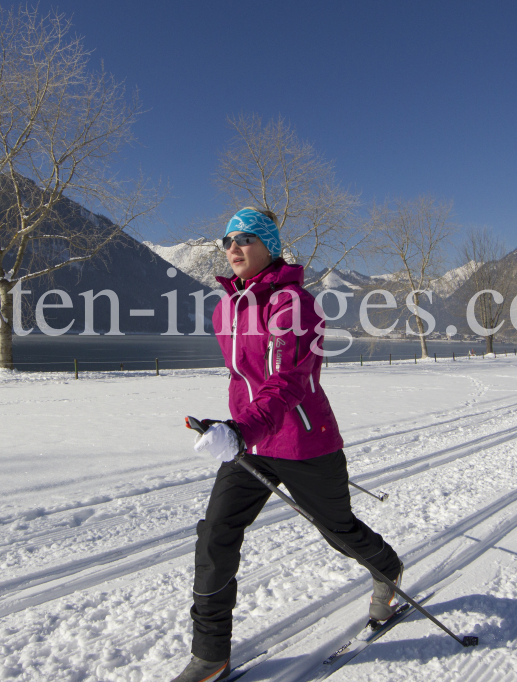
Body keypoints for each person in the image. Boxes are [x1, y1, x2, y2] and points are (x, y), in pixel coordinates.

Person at [170, 208, 404, 682]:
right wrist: (233, 428)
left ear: (270, 247)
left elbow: (289, 381)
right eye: (227, 240)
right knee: (215, 534)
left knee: (338, 529)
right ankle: (210, 654)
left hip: (304, 442)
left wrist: (241, 429)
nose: (233, 248)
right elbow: (247, 379)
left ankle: (387, 568)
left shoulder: (293, 303)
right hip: (252, 443)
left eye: (246, 239)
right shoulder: (227, 306)